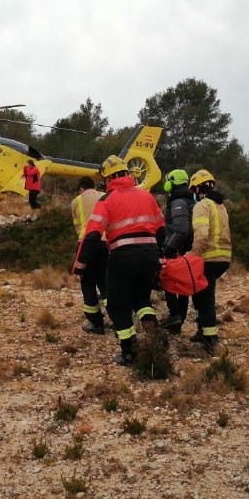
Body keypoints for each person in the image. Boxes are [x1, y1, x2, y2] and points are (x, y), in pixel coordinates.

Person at [74, 155, 165, 365]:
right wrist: (162, 254)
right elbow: (161, 229)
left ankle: (129, 351)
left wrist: (80, 264)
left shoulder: (107, 200)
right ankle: (156, 338)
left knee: (116, 305)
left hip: (123, 256)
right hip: (149, 254)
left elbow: (92, 235)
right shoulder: (146, 196)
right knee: (141, 299)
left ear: (108, 178)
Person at [188, 169, 231, 353]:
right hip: (223, 258)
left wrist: (193, 254)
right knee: (199, 295)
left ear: (198, 188)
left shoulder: (202, 205)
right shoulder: (221, 206)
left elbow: (202, 233)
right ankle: (202, 330)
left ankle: (210, 338)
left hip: (208, 258)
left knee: (205, 298)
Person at [159, 169, 195, 334]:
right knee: (182, 286)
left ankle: (175, 316)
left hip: (177, 249)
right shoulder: (188, 200)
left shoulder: (178, 201)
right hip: (185, 249)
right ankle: (178, 319)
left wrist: (169, 248)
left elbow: (181, 230)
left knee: (170, 282)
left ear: (172, 182)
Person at [71, 176, 107, 334]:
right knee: (106, 281)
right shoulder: (105, 196)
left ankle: (96, 322)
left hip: (86, 244)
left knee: (87, 283)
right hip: (107, 242)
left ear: (81, 188)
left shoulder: (76, 201)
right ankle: (117, 316)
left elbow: (78, 226)